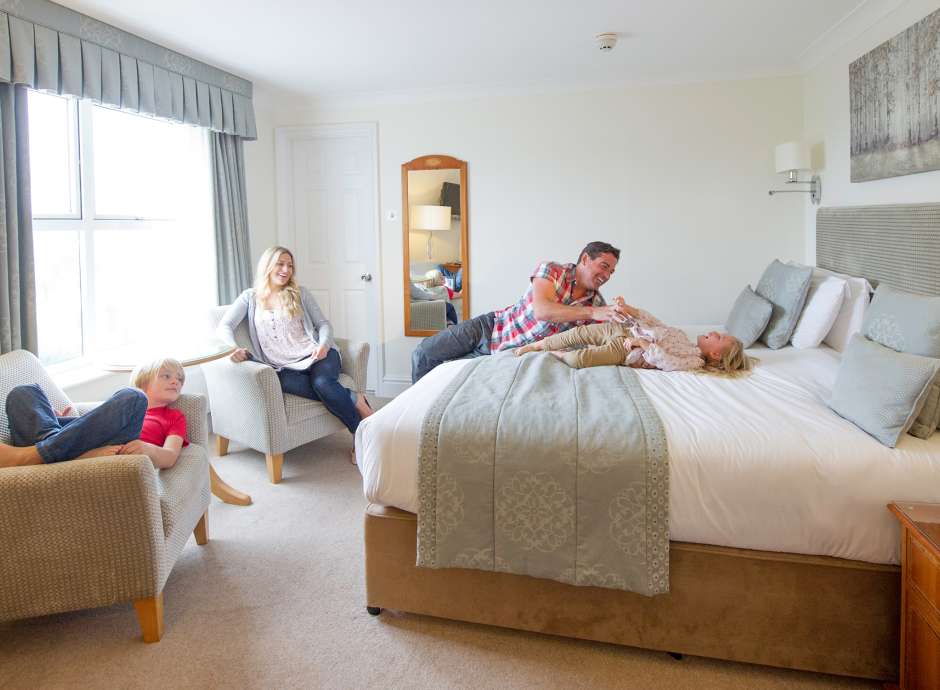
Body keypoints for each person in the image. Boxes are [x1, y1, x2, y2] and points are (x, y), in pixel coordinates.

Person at [217, 246, 373, 457]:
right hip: (283, 367)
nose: (286, 270)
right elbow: (224, 326)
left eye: (290, 265)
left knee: (323, 384)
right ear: (268, 266)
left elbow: (324, 324)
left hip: (319, 356)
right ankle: (355, 399)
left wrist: (324, 345)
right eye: (280, 264)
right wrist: (232, 349)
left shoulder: (300, 293)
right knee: (298, 385)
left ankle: (360, 435)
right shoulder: (250, 298)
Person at [411, 240, 627, 382]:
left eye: (612, 272)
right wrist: (590, 314)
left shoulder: (598, 305)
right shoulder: (552, 270)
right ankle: (414, 411)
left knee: (449, 375)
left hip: (511, 356)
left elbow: (609, 342)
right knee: (424, 354)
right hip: (491, 329)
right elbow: (541, 310)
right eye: (604, 266)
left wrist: (627, 318)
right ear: (585, 259)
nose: (607, 275)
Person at [0, 358, 190, 469]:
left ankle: (32, 454)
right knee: (23, 392)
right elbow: (91, 427)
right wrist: (52, 419)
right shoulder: (119, 408)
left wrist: (149, 450)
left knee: (135, 398)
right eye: (166, 376)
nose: (175, 382)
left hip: (115, 447)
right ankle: (54, 444)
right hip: (84, 445)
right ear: (143, 381)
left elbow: (171, 455)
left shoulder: (174, 417)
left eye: (180, 379)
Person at [514, 302, 753, 376]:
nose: (714, 332)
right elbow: (656, 322)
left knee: (581, 359)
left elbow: (668, 362)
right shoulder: (683, 336)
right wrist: (631, 310)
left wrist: (644, 345)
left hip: (627, 349)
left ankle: (552, 354)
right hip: (625, 330)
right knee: (580, 333)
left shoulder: (694, 360)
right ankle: (538, 344)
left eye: (718, 337)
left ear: (715, 354)